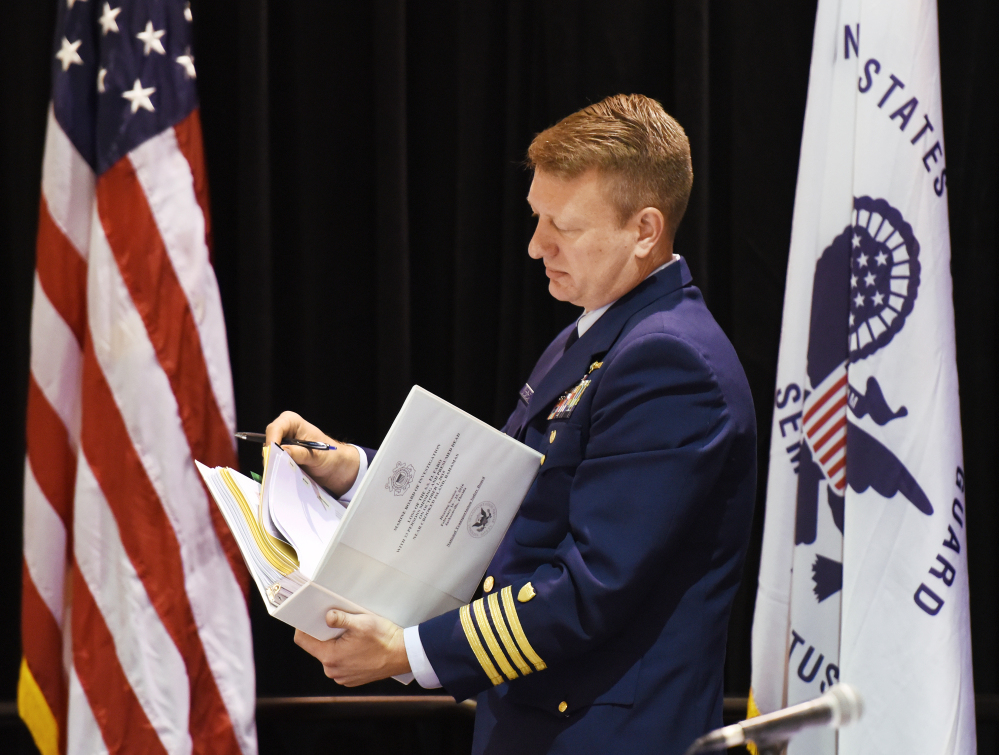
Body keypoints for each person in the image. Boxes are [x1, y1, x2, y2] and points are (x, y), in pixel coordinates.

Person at [267, 94, 757, 755]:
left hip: (606, 734)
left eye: (564, 227)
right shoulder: (591, 336)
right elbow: (501, 503)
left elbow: (592, 585)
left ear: (645, 229)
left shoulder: (672, 363)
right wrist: (352, 466)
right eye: (535, 218)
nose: (535, 246)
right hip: (538, 719)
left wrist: (408, 651)